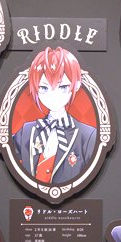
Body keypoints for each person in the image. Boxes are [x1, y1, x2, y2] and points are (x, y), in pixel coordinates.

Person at [12, 47, 97, 184]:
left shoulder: (88, 136)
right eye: (44, 88)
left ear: (76, 86)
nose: (53, 95)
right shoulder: (26, 131)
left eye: (63, 87)